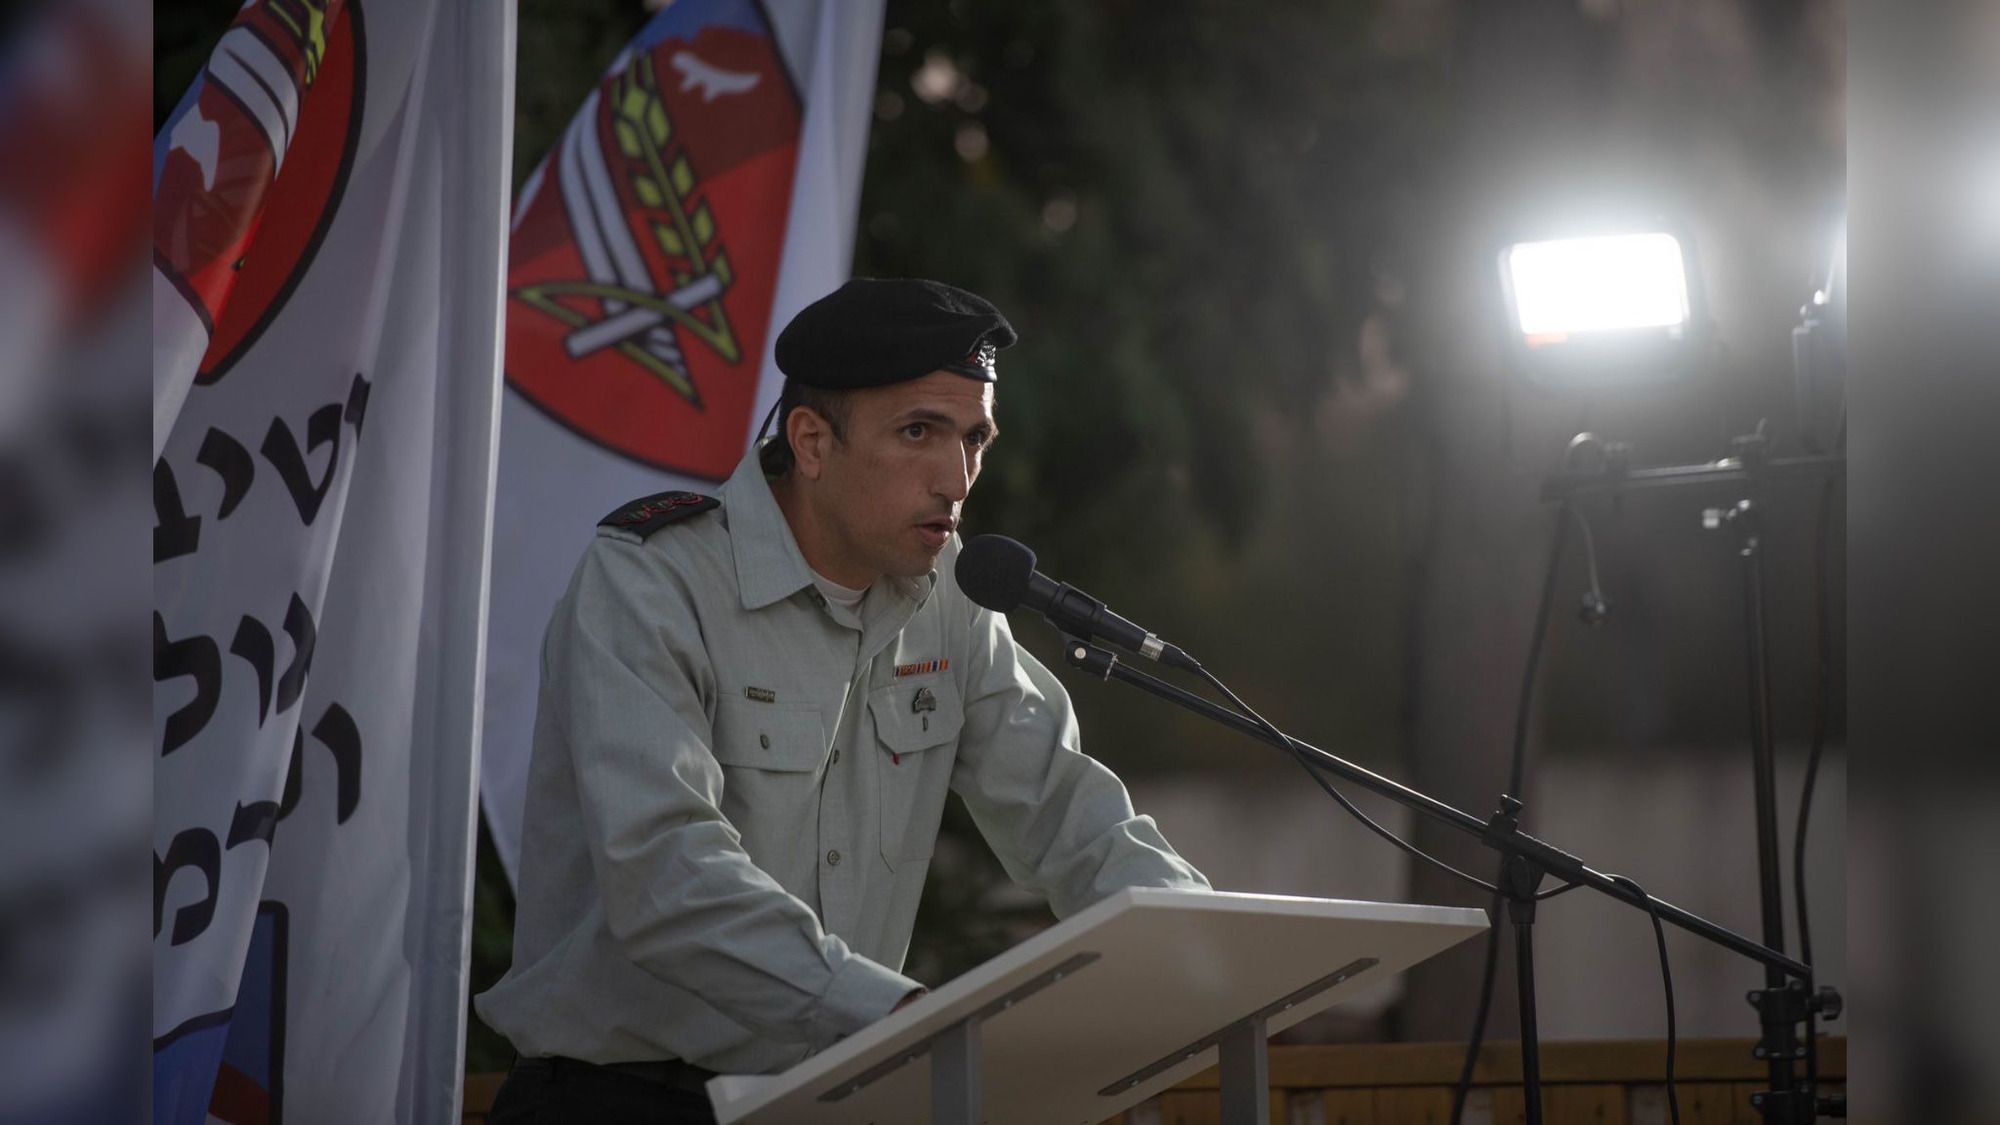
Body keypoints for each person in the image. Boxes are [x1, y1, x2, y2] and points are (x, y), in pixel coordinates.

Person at [475, 278, 1210, 1123]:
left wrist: (1200, 941)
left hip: (835, 1094)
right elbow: (664, 876)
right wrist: (898, 1017)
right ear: (813, 440)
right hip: (624, 1098)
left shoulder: (950, 599)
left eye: (975, 438)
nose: (956, 477)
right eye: (919, 432)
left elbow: (1068, 812)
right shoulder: (651, 579)